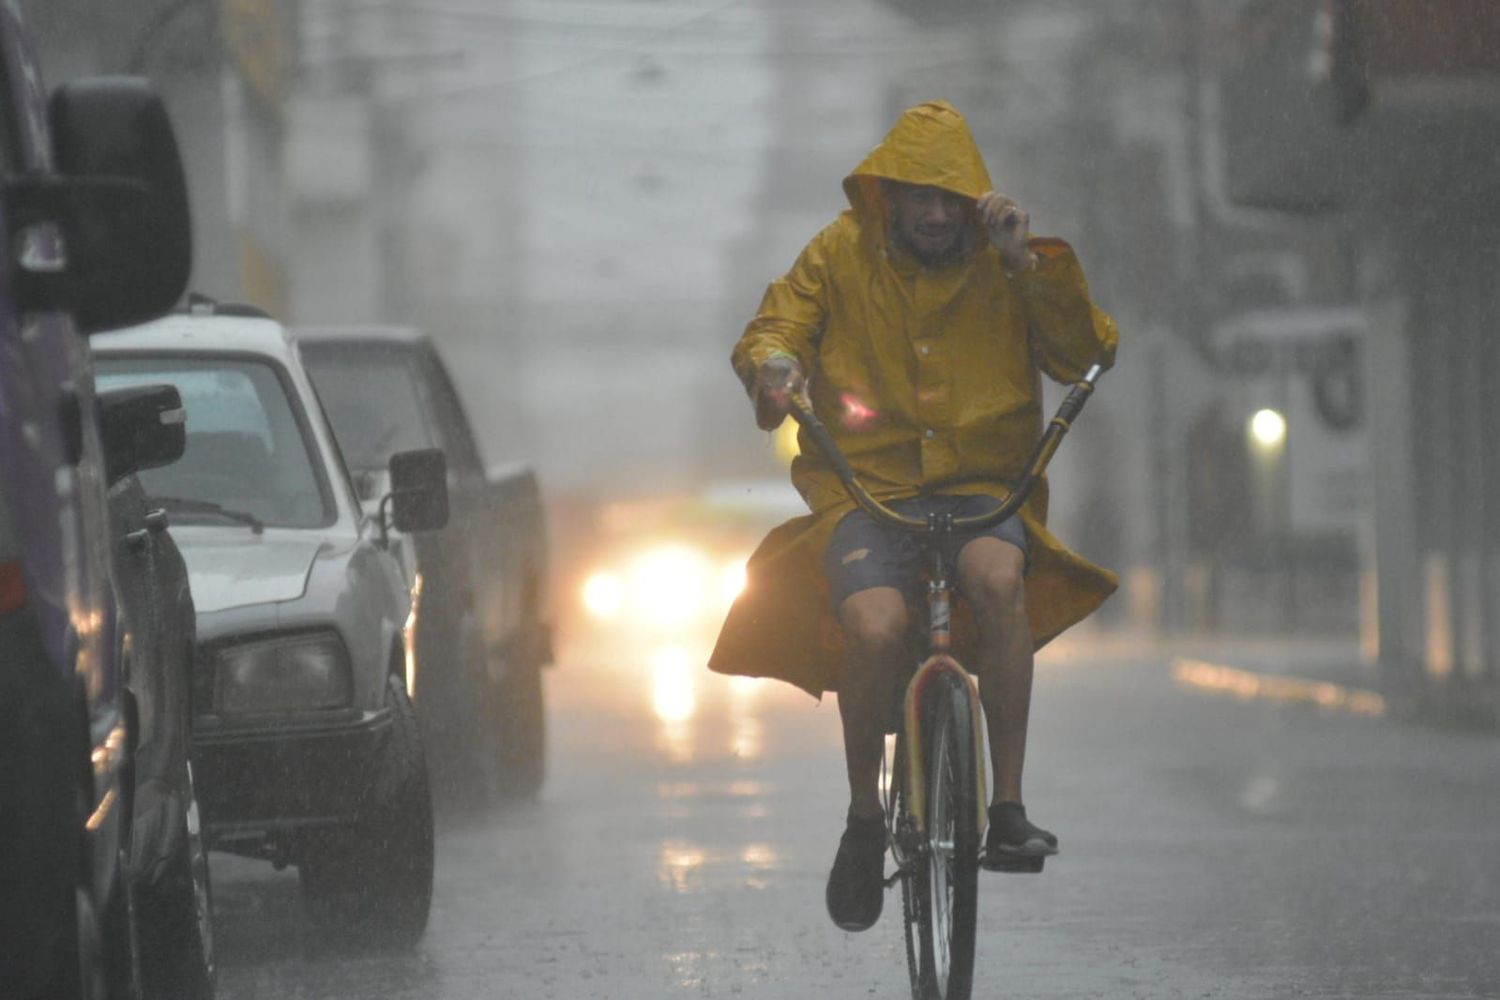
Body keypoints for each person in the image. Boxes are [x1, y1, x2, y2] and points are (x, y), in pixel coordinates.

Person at [709, 99, 1119, 933]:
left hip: (982, 487)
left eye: (950, 200)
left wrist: (1028, 265)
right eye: (918, 198)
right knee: (872, 628)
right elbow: (775, 327)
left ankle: (1005, 805)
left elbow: (1087, 351)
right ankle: (865, 818)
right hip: (869, 492)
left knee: (1000, 580)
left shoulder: (1013, 260)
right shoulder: (837, 252)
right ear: (886, 198)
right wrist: (777, 365)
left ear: (975, 205)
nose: (935, 215)